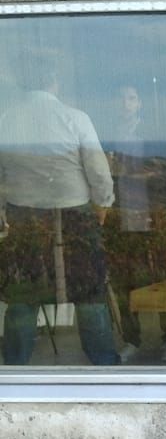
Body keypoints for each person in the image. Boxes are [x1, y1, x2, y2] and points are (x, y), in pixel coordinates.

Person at [0, 53, 119, 365]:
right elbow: (99, 172)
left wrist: (3, 211)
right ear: (54, 81)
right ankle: (104, 364)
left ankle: (13, 367)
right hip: (75, 215)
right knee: (89, 291)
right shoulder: (74, 118)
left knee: (23, 295)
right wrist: (103, 205)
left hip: (24, 217)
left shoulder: (5, 119)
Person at [103, 83, 166, 361]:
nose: (125, 103)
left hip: (151, 213)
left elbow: (164, 176)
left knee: (161, 277)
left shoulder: (155, 136)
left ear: (140, 103)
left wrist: (129, 173)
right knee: (127, 280)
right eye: (120, 98)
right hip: (119, 215)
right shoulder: (105, 137)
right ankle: (132, 339)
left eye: (131, 98)